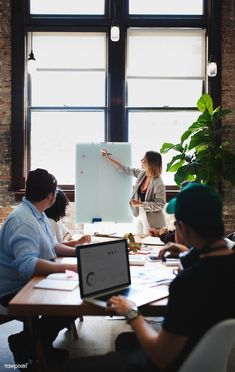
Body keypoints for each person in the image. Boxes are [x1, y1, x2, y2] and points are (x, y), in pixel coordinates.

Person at [61, 182, 235, 372]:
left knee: (69, 367)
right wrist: (186, 250)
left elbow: (161, 357)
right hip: (208, 358)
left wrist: (131, 312)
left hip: (173, 363)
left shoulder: (187, 283)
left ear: (183, 228)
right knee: (125, 341)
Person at [0, 168, 80, 368]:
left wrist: (79, 253)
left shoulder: (37, 212)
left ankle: (34, 342)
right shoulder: (23, 221)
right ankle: (32, 342)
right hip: (14, 289)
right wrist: (68, 268)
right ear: (50, 196)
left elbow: (53, 245)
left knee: (79, 293)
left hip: (32, 281)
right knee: (72, 299)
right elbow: (27, 266)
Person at [102, 149, 166, 231]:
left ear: (151, 163)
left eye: (144, 159)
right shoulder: (143, 174)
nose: (141, 161)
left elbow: (160, 204)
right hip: (141, 217)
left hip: (155, 224)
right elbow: (125, 169)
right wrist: (108, 159)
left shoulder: (158, 183)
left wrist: (141, 204)